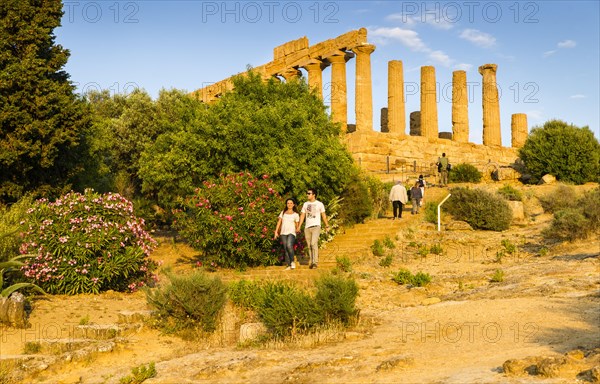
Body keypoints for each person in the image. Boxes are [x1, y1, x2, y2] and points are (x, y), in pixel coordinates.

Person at [298, 188, 329, 269]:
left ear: (314, 194)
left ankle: (315, 262)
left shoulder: (319, 204)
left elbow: (323, 215)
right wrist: (299, 226)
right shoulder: (305, 204)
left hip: (316, 226)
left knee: (313, 243)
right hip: (307, 227)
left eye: (309, 193)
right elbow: (302, 215)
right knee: (309, 245)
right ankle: (312, 262)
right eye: (307, 193)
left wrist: (327, 225)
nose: (307, 195)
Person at [273, 198, 300, 270]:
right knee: (285, 248)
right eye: (288, 203)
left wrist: (298, 229)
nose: (289, 204)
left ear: (293, 204)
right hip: (283, 233)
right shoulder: (283, 212)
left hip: (292, 232)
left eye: (291, 203)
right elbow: (279, 222)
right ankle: (288, 265)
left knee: (289, 245)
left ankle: (292, 262)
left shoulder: (296, 214)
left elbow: (297, 225)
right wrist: (276, 232)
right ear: (286, 204)